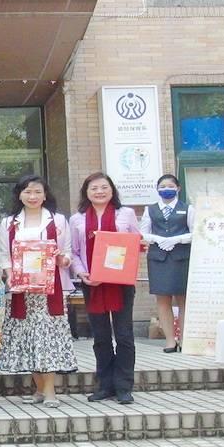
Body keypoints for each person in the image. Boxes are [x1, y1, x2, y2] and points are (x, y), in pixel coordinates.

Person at [0, 175, 77, 408]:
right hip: (22, 290)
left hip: (50, 290)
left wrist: (64, 259)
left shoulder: (59, 221)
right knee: (28, 337)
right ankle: (39, 388)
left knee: (48, 338)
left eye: (37, 192)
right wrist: (10, 275)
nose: (32, 196)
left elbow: (68, 252)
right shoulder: (9, 223)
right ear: (19, 194)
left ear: (45, 195)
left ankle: (51, 391)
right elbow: (4, 255)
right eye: (27, 192)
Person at [69, 172, 140, 404]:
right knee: (100, 336)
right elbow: (75, 252)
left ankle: (124, 386)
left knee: (124, 335)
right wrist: (82, 273)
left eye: (103, 187)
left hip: (120, 284)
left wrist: (140, 245)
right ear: (86, 193)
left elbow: (135, 242)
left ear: (112, 190)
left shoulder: (126, 214)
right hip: (92, 284)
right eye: (94, 188)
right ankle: (104, 385)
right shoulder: (77, 219)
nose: (99, 192)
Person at [139, 174, 194, 353]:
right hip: (158, 258)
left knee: (183, 299)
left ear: (178, 188)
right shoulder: (150, 209)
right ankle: (170, 341)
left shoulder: (187, 209)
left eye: (170, 185)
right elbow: (142, 233)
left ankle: (185, 340)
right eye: (162, 186)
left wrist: (177, 239)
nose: (166, 189)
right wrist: (157, 238)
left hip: (181, 257)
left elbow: (195, 232)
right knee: (163, 299)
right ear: (157, 190)